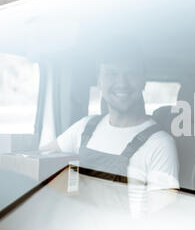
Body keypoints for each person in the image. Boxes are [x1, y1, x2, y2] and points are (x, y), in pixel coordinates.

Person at [40, 45, 179, 190]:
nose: (122, 83)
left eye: (131, 74)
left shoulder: (160, 144)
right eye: (111, 74)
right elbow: (38, 160)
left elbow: (161, 211)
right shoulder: (84, 127)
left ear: (143, 81)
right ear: (99, 82)